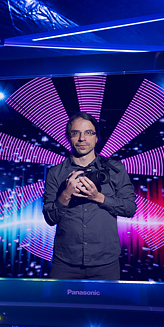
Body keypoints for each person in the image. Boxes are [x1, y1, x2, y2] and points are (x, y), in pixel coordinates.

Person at [41, 113, 136, 280]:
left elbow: (130, 209)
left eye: (88, 132)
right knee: (58, 298)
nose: (82, 138)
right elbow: (50, 218)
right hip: (65, 262)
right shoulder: (55, 173)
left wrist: (98, 197)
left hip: (105, 261)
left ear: (97, 137)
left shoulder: (115, 169)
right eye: (75, 133)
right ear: (68, 137)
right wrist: (66, 194)